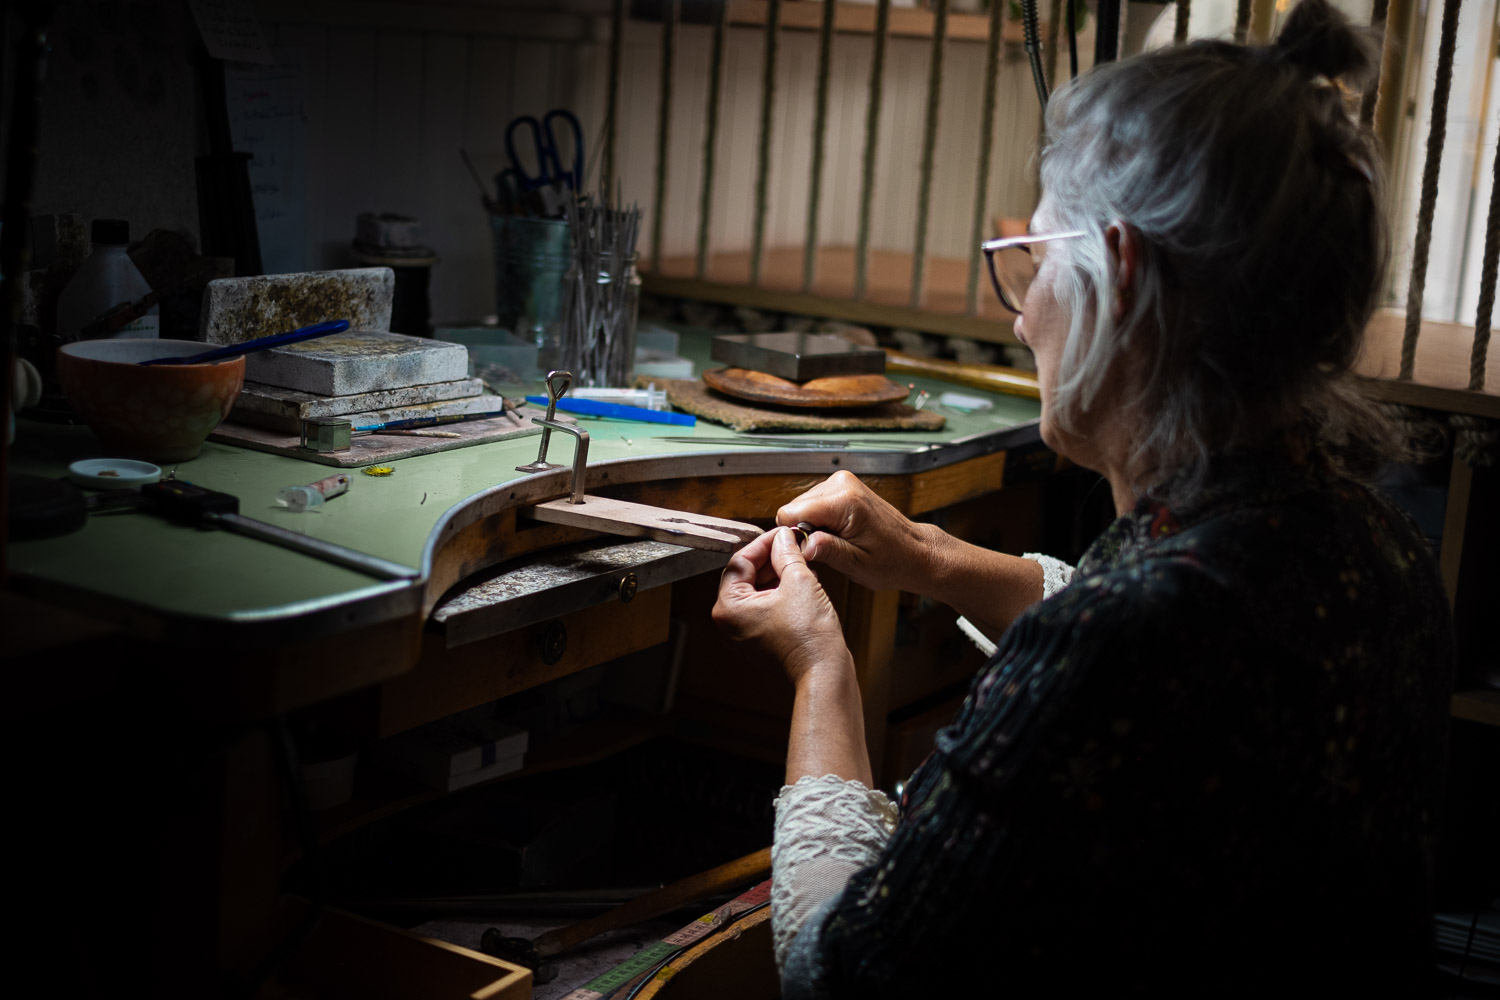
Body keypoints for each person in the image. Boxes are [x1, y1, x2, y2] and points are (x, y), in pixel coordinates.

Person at [711, 1, 1454, 995]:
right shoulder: (1377, 546)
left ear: (1123, 273)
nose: (1024, 320)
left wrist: (820, 669)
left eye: (1038, 260)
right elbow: (1159, 629)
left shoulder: (1122, 640)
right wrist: (930, 560)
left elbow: (837, 971)